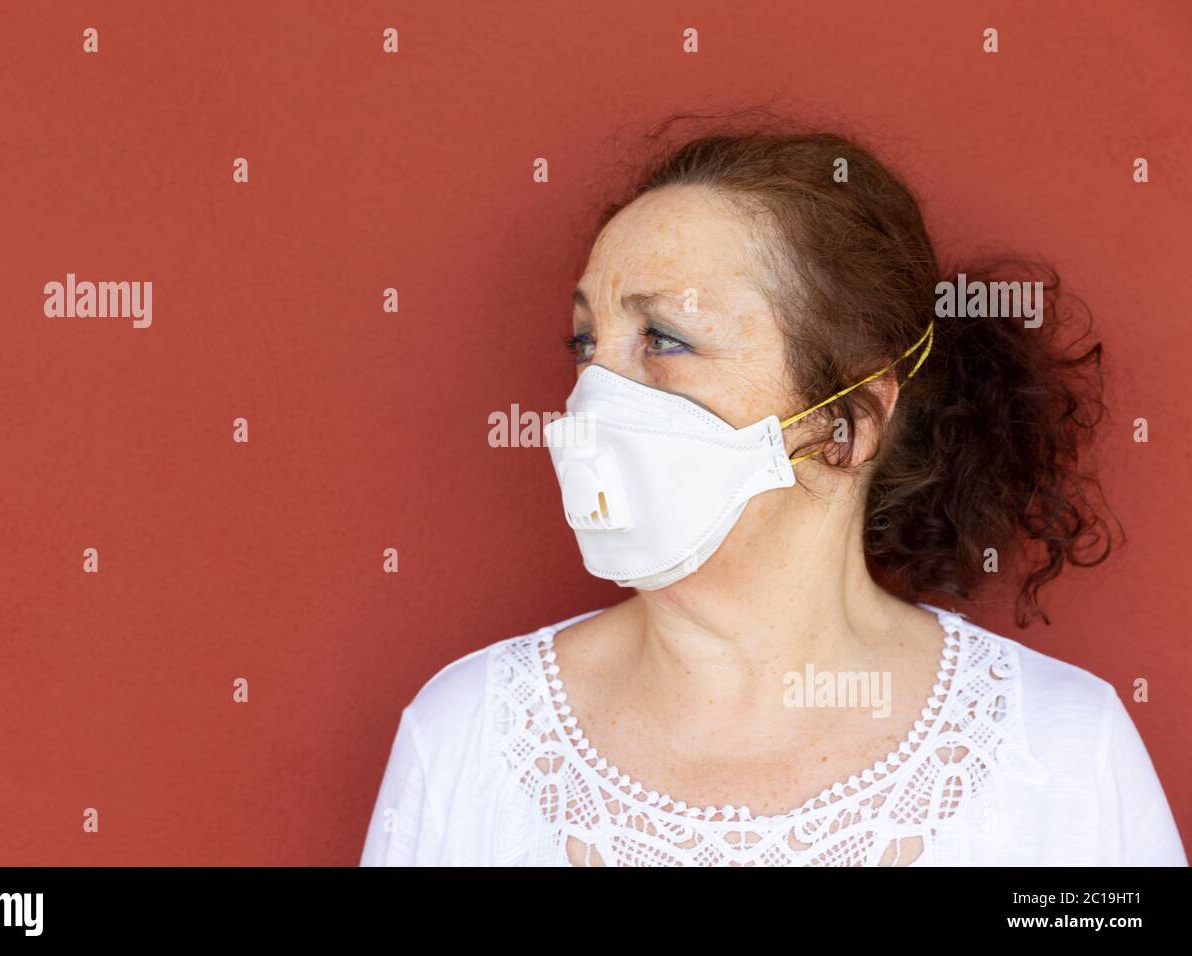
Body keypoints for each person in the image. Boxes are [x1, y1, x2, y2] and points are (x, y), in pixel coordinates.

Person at [360, 122, 1187, 867]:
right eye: (586, 344)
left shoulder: (1063, 755)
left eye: (665, 339)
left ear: (848, 425)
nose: (593, 403)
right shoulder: (468, 738)